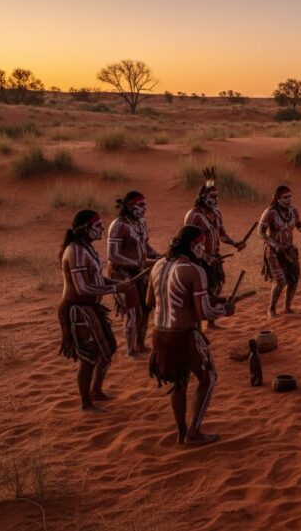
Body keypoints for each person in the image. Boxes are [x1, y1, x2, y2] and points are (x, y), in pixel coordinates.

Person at [147, 225, 236, 445]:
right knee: (208, 378)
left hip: (160, 333)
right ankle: (194, 432)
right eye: (201, 244)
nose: (202, 249)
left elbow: (150, 301)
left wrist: (210, 300)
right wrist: (225, 310)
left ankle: (181, 432)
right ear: (193, 245)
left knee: (179, 383)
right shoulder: (195, 271)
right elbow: (204, 313)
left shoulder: (157, 265)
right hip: (184, 335)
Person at [58, 209, 136, 412]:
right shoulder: (75, 251)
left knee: (107, 350)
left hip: (91, 308)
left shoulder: (87, 248)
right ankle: (86, 403)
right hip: (79, 311)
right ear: (85, 229)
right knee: (89, 356)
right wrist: (116, 288)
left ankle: (96, 391)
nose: (101, 229)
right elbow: (83, 288)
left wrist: (118, 282)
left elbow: (97, 280)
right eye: (97, 226)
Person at [184, 168, 247, 324]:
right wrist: (205, 257)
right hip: (197, 261)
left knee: (214, 289)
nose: (216, 199)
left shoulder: (216, 212)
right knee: (200, 293)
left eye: (217, 196)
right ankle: (196, 325)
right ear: (203, 197)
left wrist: (234, 243)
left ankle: (211, 323)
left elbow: (221, 233)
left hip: (213, 259)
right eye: (212, 196)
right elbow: (187, 242)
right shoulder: (194, 215)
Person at [107, 191, 160, 356]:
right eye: (140, 205)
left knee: (145, 310)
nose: (144, 209)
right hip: (123, 274)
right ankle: (130, 351)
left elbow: (145, 246)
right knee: (134, 312)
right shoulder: (118, 225)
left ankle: (140, 345)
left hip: (141, 272)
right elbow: (112, 255)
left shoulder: (141, 223)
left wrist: (159, 256)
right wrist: (138, 264)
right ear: (130, 206)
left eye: (145, 205)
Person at [258, 185, 301, 316]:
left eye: (290, 197)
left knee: (294, 278)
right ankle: (271, 309)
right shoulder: (270, 212)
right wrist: (274, 244)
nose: (288, 199)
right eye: (285, 197)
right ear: (277, 198)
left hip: (289, 251)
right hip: (273, 252)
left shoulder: (293, 211)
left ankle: (287, 307)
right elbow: (261, 233)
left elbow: (300, 227)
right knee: (280, 281)